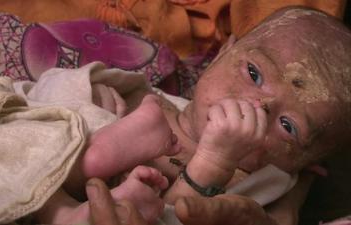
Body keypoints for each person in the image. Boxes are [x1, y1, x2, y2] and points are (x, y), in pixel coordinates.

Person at [24, 6, 351, 225]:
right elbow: (31, 103)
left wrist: (215, 159)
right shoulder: (150, 99)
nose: (256, 108)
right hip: (61, 166)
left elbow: (181, 216)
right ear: (223, 52)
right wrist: (91, 97)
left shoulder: (266, 180)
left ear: (303, 163)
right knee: (61, 104)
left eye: (288, 126)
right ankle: (93, 161)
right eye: (253, 73)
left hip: (133, 212)